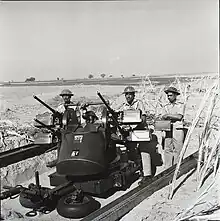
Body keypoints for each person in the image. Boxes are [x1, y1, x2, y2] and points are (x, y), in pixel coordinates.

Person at [113, 86, 152, 185]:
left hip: (140, 130)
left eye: (130, 94)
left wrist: (134, 124)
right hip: (128, 132)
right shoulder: (123, 105)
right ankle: (133, 172)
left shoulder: (139, 103)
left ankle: (147, 174)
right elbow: (117, 115)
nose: (128, 96)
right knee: (130, 151)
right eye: (126, 94)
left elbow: (143, 118)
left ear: (134, 95)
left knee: (144, 151)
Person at [161, 86, 185, 169]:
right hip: (167, 128)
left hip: (178, 129)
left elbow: (179, 117)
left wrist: (168, 115)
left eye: (170, 95)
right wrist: (168, 116)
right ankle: (168, 167)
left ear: (175, 95)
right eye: (168, 95)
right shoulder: (165, 106)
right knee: (167, 149)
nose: (168, 97)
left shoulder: (180, 105)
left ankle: (177, 167)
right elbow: (162, 116)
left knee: (178, 149)